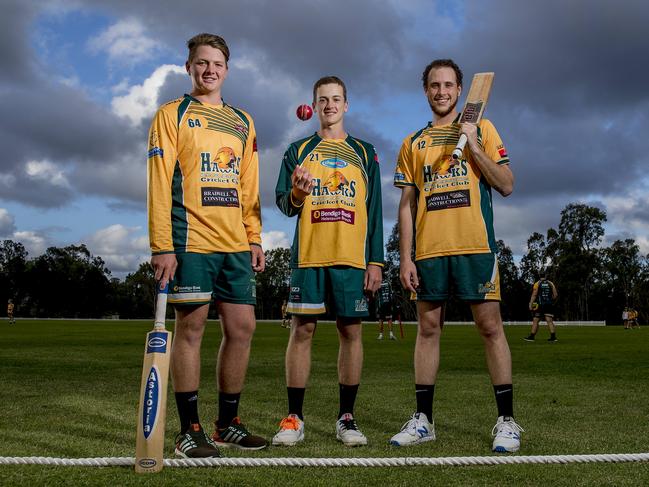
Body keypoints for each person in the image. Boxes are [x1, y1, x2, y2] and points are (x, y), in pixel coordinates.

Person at [390, 59, 523, 453]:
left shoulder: (482, 127)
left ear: (460, 90)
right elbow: (405, 206)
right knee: (428, 332)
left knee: (490, 329)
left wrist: (474, 145)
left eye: (448, 85)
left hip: (475, 247)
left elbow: (507, 184)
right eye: (434, 85)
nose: (441, 91)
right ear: (426, 90)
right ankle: (423, 421)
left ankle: (506, 421)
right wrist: (405, 257)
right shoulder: (412, 143)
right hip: (430, 253)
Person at [148, 33, 267, 458]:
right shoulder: (171, 114)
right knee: (192, 329)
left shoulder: (244, 121)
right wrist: (163, 244)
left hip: (235, 242)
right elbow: (159, 182)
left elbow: (248, 184)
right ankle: (189, 429)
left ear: (226, 70)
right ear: (189, 67)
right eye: (201, 62)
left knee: (243, 328)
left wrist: (254, 235)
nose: (209, 69)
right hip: (189, 240)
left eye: (216, 63)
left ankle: (227, 424)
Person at [272, 76, 384, 447]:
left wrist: (376, 262)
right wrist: (299, 194)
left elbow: (375, 211)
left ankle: (347, 418)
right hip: (310, 255)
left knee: (351, 333)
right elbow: (284, 205)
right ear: (314, 106)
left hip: (352, 259)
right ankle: (294, 417)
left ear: (346, 105)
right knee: (302, 331)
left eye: (336, 99)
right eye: (323, 99)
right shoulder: (297, 150)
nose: (330, 105)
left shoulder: (366, 153)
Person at [524, 275, 559, 342]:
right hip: (549, 304)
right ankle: (553, 337)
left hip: (540, 304)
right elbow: (555, 295)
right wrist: (550, 300)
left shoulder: (537, 283)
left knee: (535, 320)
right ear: (546, 276)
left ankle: (532, 337)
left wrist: (530, 304)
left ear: (539, 276)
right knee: (549, 320)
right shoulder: (550, 283)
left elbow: (534, 294)